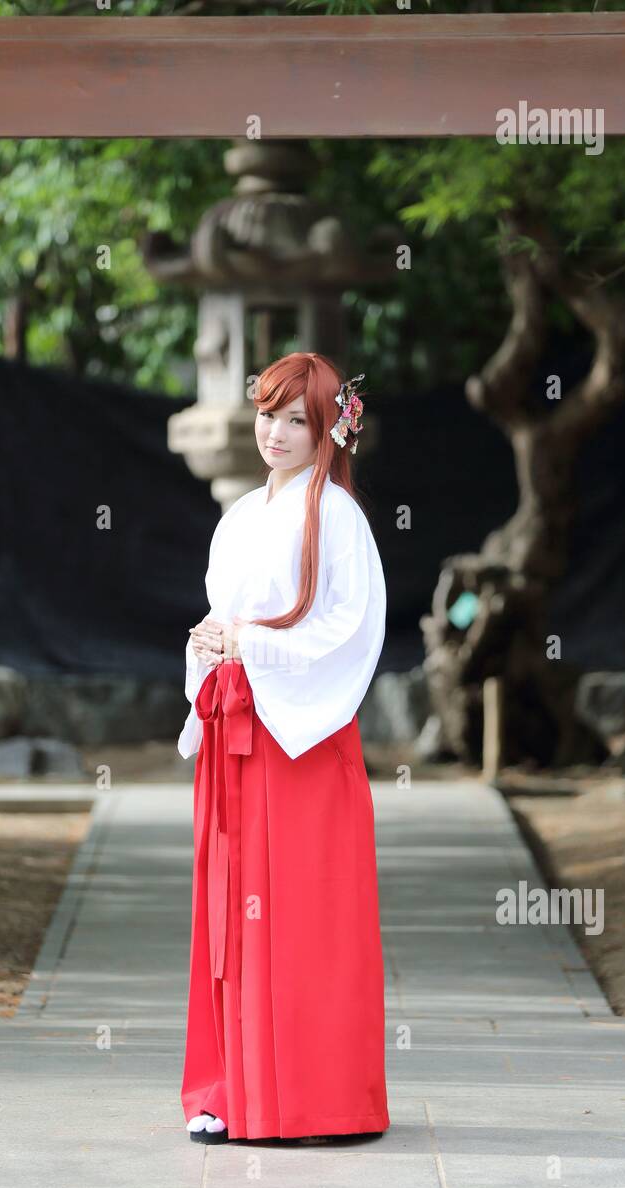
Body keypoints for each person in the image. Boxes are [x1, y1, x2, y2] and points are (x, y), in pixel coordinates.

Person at [178, 350, 389, 1144]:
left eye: (297, 418)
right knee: (233, 913)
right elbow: (223, 623)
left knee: (307, 917)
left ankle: (313, 1099)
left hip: (301, 737)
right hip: (239, 730)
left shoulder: (338, 516)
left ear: (330, 426)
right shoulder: (239, 518)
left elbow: (349, 631)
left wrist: (251, 646)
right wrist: (212, 647)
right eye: (269, 413)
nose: (277, 431)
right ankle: (230, 1092)